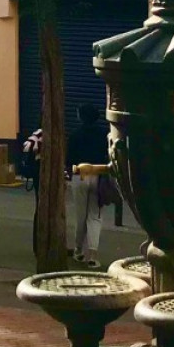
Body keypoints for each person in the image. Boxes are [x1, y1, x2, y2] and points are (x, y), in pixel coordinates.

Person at [66, 108, 114, 266]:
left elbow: (68, 158)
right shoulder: (103, 134)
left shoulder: (75, 134)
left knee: (80, 216)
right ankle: (92, 256)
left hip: (79, 175)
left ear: (81, 117)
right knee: (95, 216)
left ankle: (78, 250)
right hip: (98, 176)